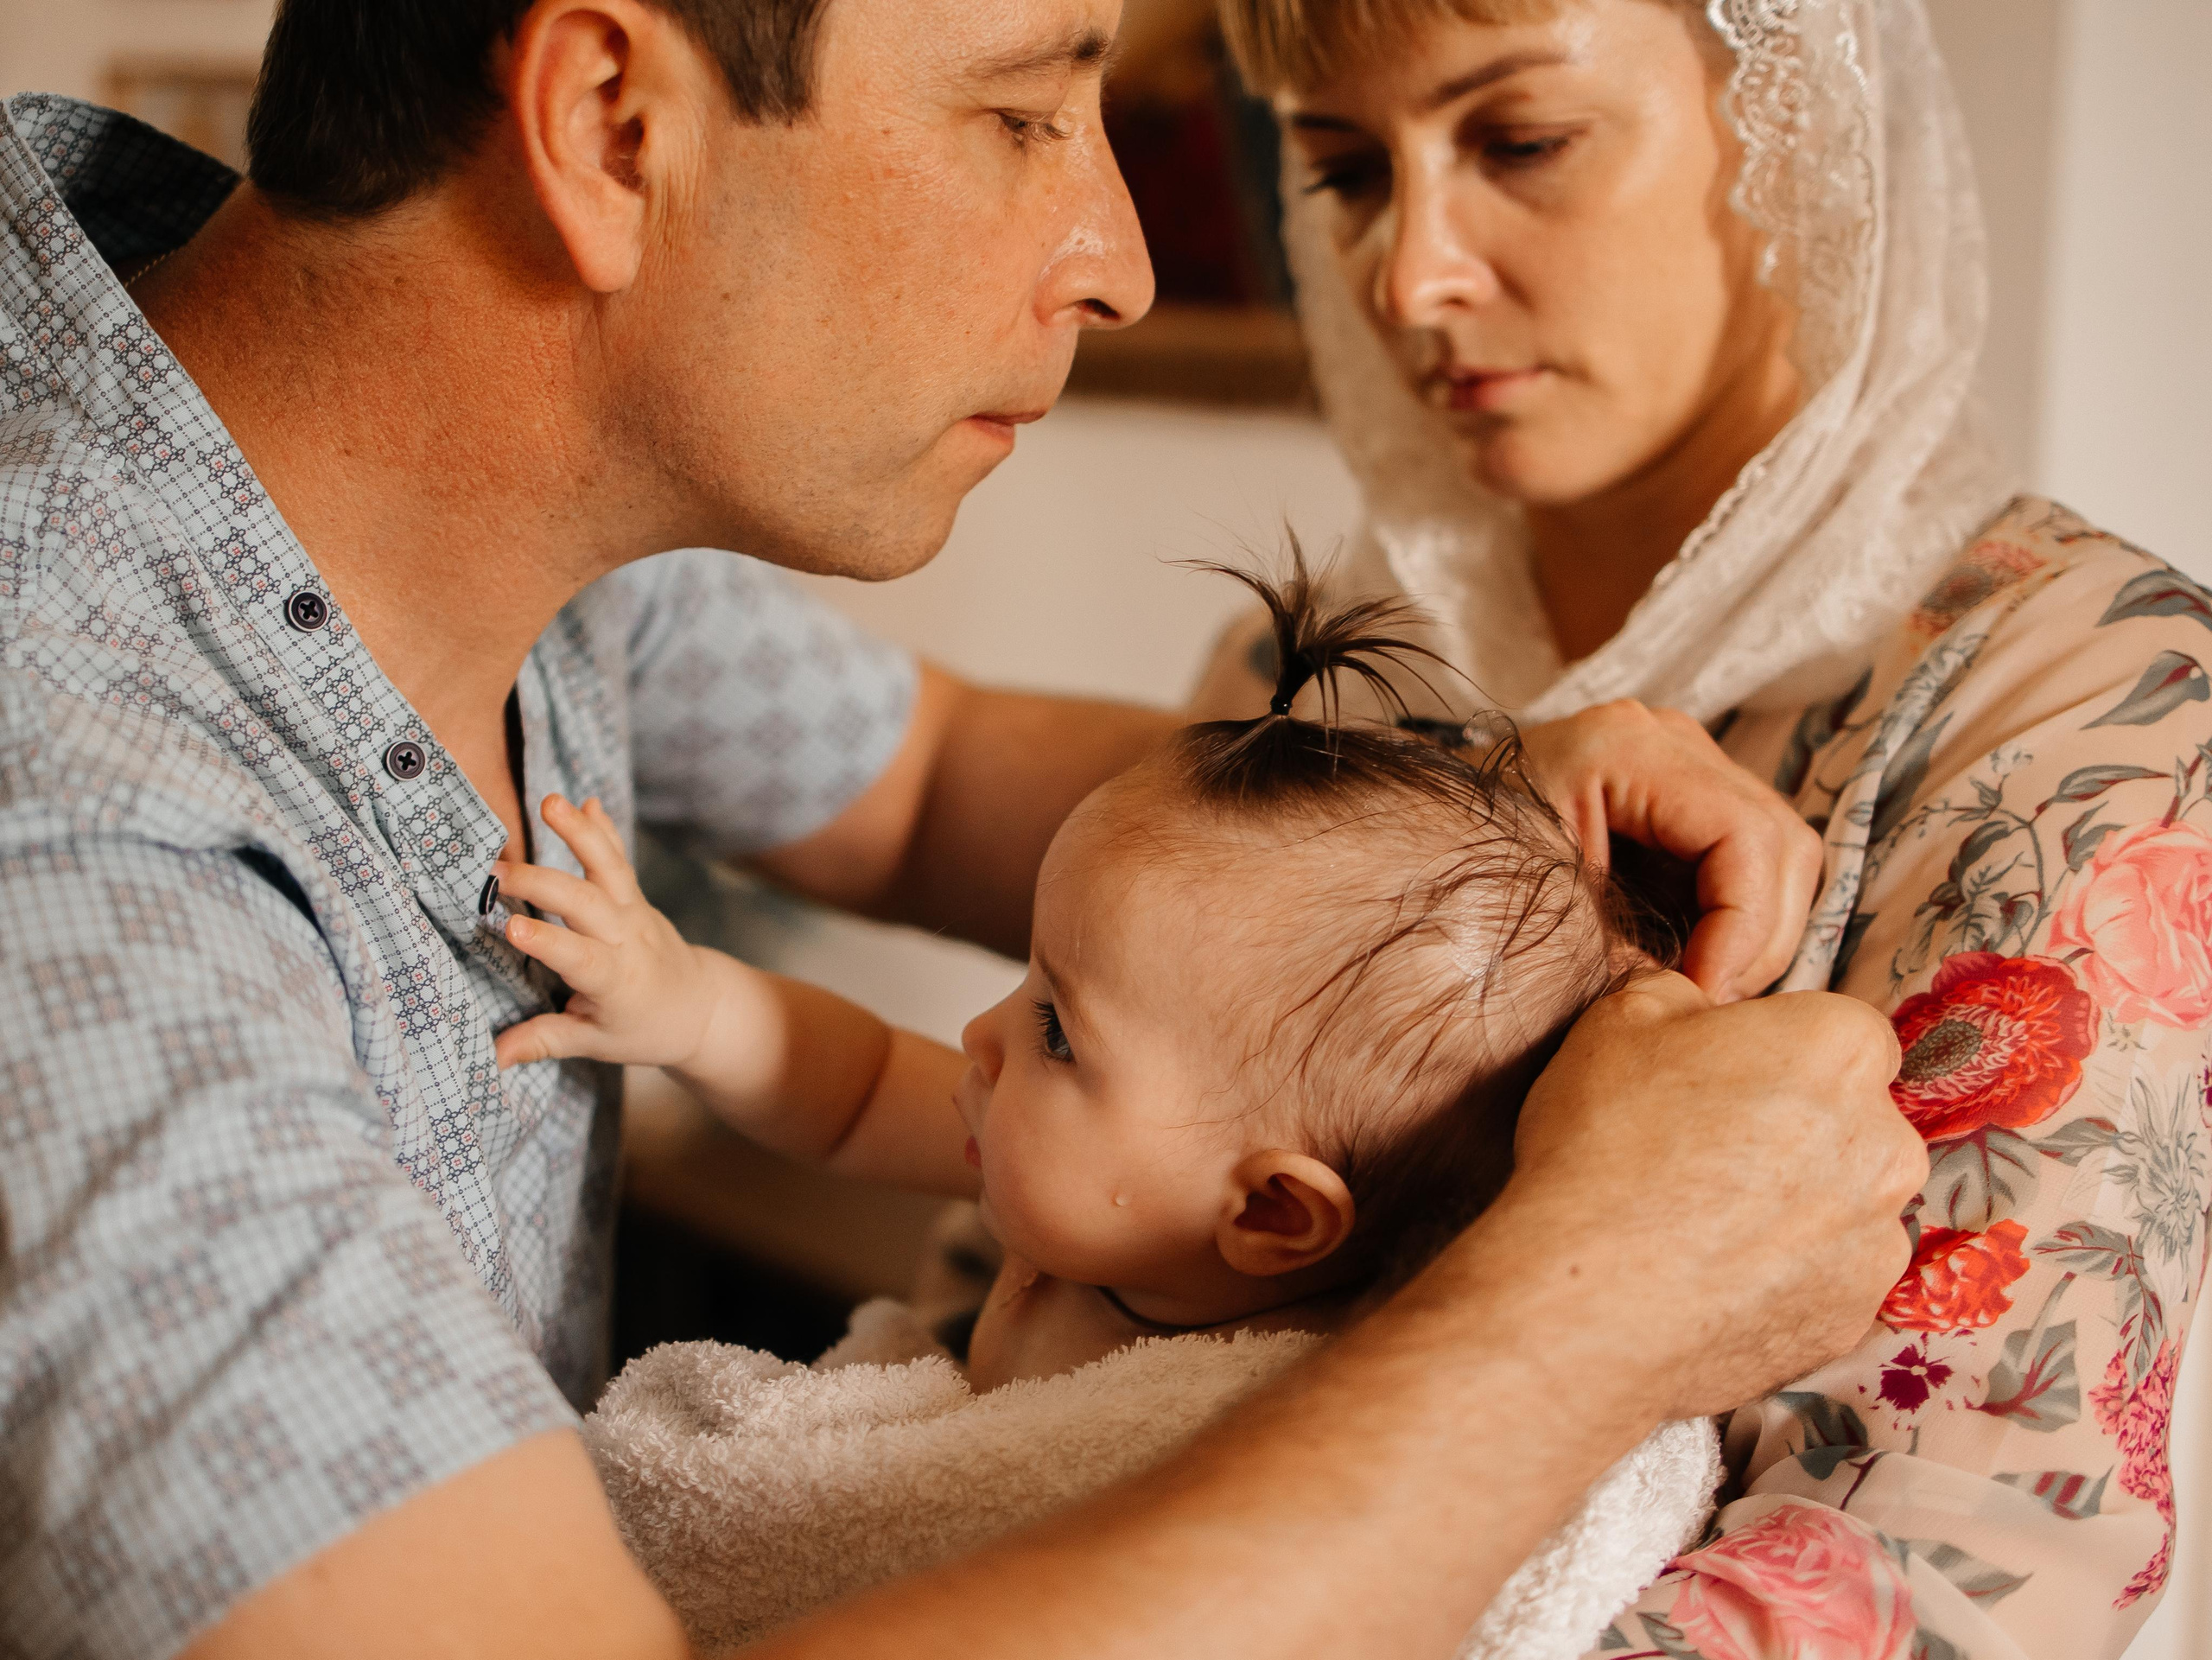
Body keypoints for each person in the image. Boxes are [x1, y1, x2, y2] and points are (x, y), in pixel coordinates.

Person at [0, 3, 1921, 1657]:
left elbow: (933, 782)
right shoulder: (78, 848)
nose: (1119, 253)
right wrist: (1592, 1304)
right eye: (1018, 109)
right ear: (609, 126)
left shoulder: (412, 471)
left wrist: (1475, 842)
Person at [1197, 0, 2212, 1654]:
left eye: (1520, 142)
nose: (1408, 276)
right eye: (1348, 171)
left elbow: (1960, 1549)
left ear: (1799, 118)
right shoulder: (1326, 665)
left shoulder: (2087, 690)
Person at [494, 563, 1658, 1372]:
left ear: (1268, 1207)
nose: (981, 1037)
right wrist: (681, 1001)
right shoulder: (1101, 1192)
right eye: (1033, 985)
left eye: (1058, 1030)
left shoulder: (1296, 1409)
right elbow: (844, 1093)